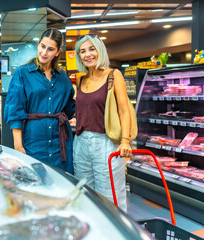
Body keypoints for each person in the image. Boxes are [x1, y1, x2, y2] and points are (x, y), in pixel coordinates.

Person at [73, 33, 132, 211]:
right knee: (85, 193)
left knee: (111, 196)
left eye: (92, 49)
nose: (87, 54)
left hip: (106, 142)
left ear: (100, 51)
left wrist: (125, 140)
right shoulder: (80, 79)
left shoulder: (114, 75)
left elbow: (124, 110)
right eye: (82, 51)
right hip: (81, 142)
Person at [4, 28, 75, 174]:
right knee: (35, 181)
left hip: (60, 142)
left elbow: (69, 108)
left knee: (61, 184)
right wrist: (18, 147)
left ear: (57, 52)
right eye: (42, 46)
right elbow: (15, 112)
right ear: (38, 45)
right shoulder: (23, 73)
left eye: (50, 49)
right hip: (33, 141)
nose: (44, 52)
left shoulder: (62, 77)